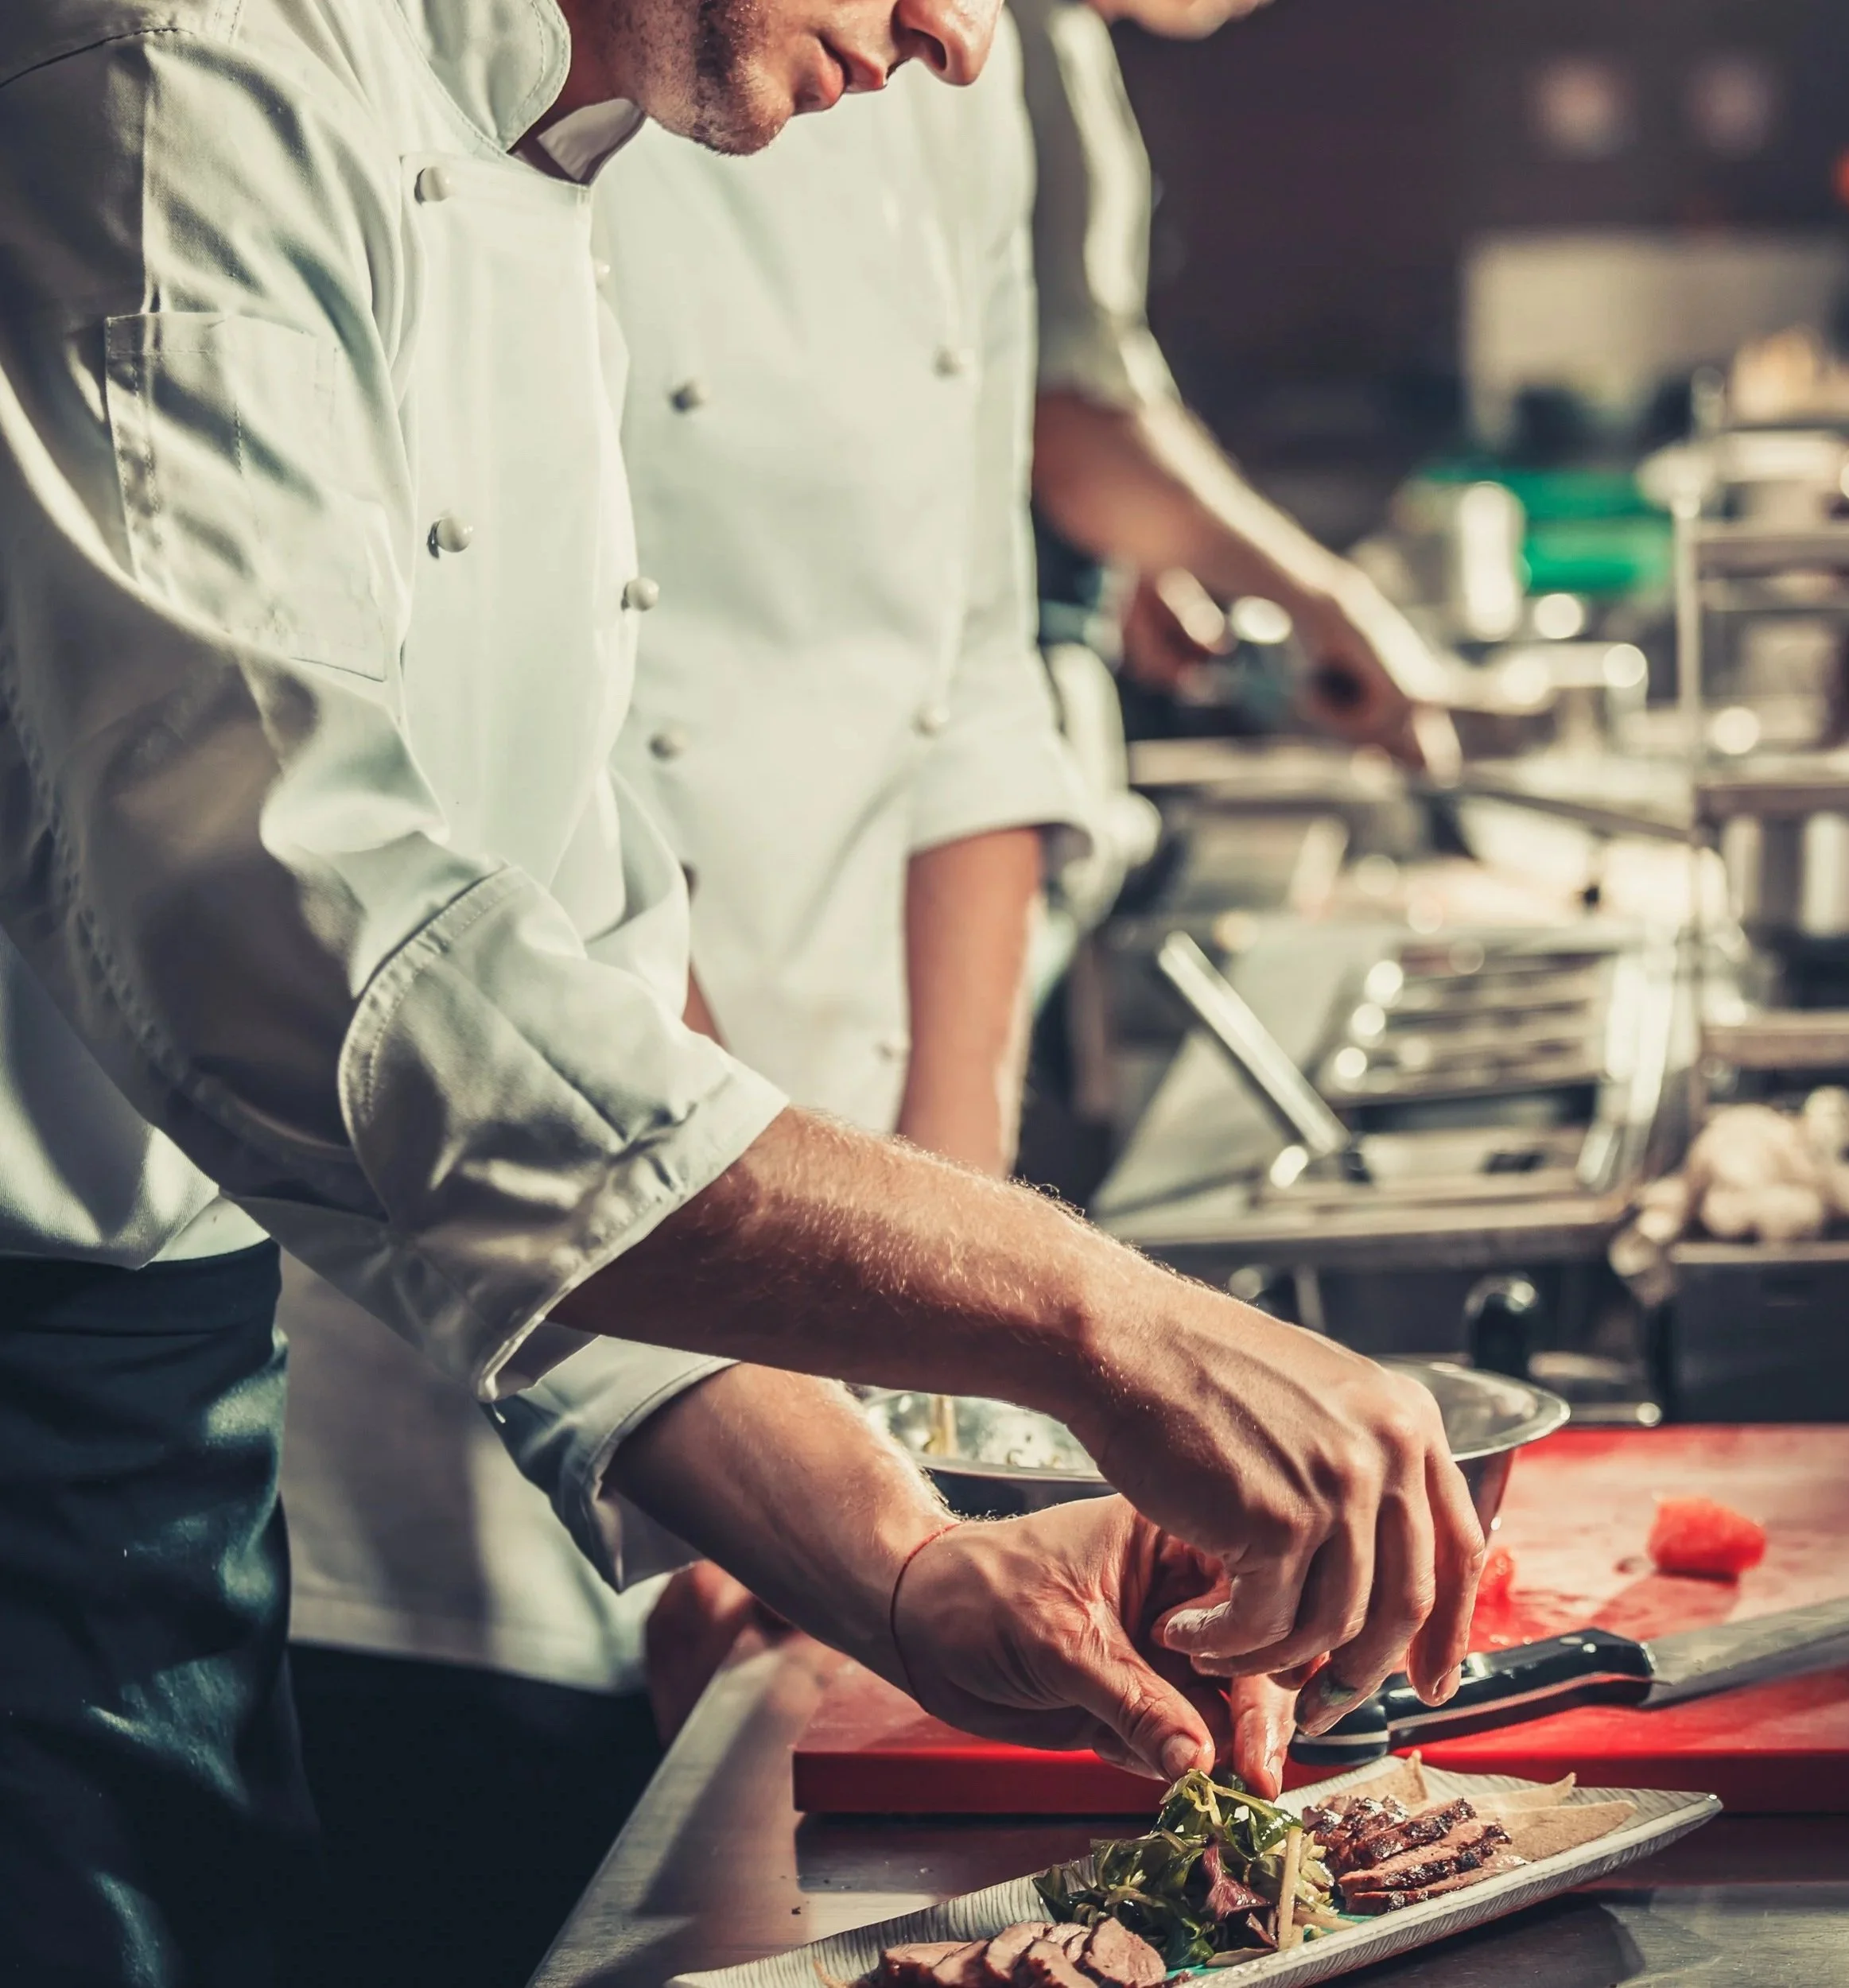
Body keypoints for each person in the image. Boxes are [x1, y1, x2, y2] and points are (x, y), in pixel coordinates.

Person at [0, 0, 1483, 1982]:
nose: (969, 40)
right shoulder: (177, 81)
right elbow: (324, 965)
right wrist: (1090, 1320)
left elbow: (571, 975)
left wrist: (907, 1564)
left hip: (163, 1411)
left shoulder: (543, 166)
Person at [278, 25, 1093, 1982]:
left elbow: (963, 688)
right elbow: (420, 912)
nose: (953, 32)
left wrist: (923, 1371)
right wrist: (972, 1325)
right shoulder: (371, 94)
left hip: (769, 1250)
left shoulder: (864, 99)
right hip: (416, 1344)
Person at [1009, 0, 1458, 770]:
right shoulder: (1021, 34)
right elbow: (1076, 428)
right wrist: (1331, 604)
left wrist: (1138, 547)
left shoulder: (1067, 39)